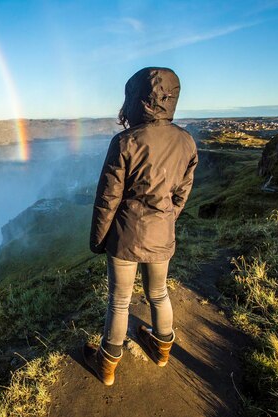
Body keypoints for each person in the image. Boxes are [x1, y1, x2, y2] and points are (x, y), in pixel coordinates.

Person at [83, 67, 198, 386]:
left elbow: (108, 198)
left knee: (119, 301)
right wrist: (166, 220)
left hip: (125, 237)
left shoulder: (124, 142)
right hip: (162, 234)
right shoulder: (186, 141)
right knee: (159, 293)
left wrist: (98, 240)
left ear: (136, 100)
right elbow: (181, 193)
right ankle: (162, 349)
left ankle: (106, 366)